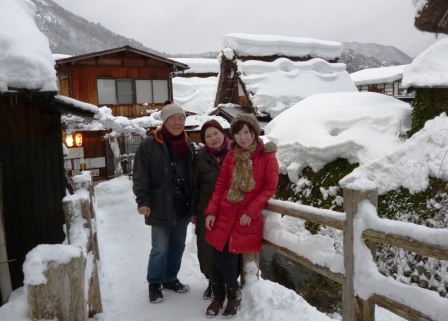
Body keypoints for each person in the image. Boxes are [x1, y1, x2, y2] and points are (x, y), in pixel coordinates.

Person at [204, 114, 279, 317]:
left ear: (255, 132)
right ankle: (219, 297)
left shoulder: (266, 155)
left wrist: (251, 210)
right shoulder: (231, 154)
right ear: (233, 135)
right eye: (238, 133)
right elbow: (220, 186)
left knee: (225, 257)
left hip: (245, 216)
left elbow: (270, 187)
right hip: (224, 213)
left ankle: (233, 295)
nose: (243, 137)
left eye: (247, 132)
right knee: (218, 256)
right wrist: (211, 211)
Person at [132, 102, 196, 304]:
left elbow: (195, 177)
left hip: (183, 205)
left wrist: (194, 206)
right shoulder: (150, 144)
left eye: (181, 119)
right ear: (164, 121)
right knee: (160, 247)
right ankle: (154, 284)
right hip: (160, 204)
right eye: (173, 119)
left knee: (178, 245)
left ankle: (170, 278)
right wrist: (142, 200)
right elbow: (140, 176)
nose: (177, 123)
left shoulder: (189, 145)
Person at [190, 120, 232, 300]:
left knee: (229, 247)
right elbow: (194, 187)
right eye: (208, 136)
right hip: (206, 207)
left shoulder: (235, 153)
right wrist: (193, 212)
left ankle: (230, 283)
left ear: (223, 133)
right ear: (204, 140)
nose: (213, 138)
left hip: (230, 207)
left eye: (216, 133)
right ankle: (212, 282)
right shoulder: (200, 159)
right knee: (207, 247)